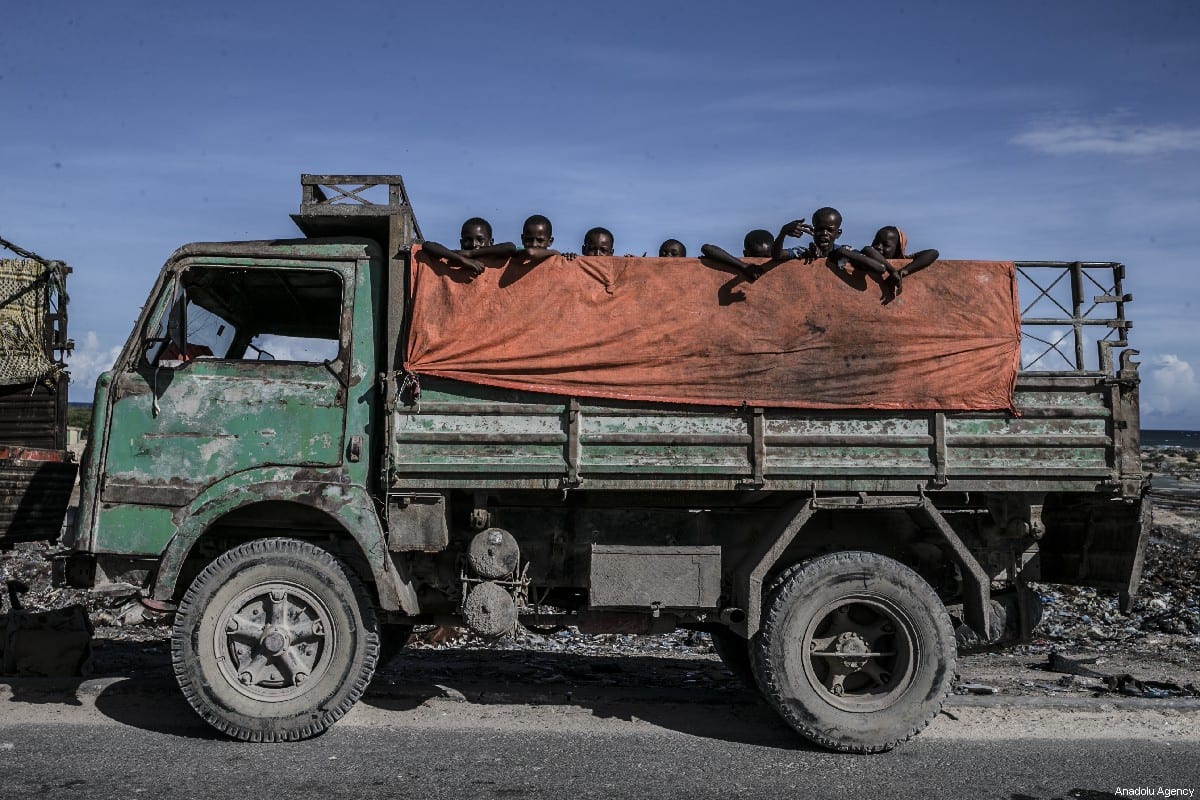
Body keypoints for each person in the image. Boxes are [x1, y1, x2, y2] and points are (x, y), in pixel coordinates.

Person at [420, 217, 516, 277]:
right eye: (468, 240)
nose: (474, 244)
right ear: (461, 243)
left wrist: (471, 253)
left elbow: (510, 247)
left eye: (480, 240)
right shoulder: (456, 255)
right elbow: (427, 246)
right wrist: (462, 260)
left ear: (491, 242)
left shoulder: (496, 256)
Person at [860, 226, 940, 296]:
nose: (878, 247)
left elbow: (933, 253)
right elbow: (868, 249)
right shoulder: (865, 256)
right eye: (875, 243)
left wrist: (904, 271)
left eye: (886, 245)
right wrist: (893, 271)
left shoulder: (904, 259)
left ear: (898, 250)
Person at [700, 227, 775, 282]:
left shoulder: (782, 256)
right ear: (746, 254)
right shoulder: (739, 264)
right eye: (756, 257)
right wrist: (744, 266)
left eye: (766, 257)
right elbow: (707, 248)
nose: (761, 261)